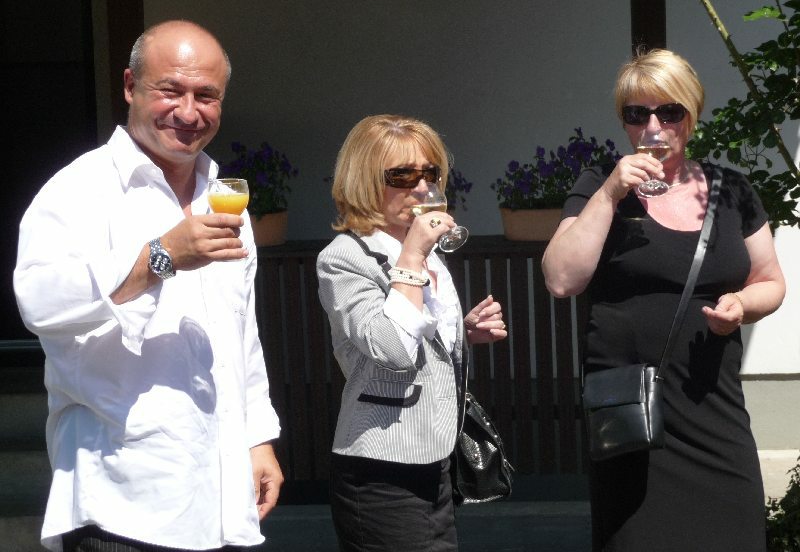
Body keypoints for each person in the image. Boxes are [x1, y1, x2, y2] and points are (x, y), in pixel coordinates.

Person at [14, 20, 283, 552]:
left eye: (206, 95)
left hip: (220, 496)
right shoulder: (80, 189)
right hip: (122, 498)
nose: (188, 112)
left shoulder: (223, 198)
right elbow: (39, 304)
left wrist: (259, 439)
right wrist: (158, 258)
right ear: (130, 86)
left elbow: (240, 336)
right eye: (170, 90)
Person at [542, 48, 785, 551]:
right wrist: (609, 193)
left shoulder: (730, 191)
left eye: (668, 111)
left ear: (691, 116)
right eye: (637, 114)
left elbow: (770, 281)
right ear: (625, 122)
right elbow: (562, 279)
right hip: (633, 415)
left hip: (711, 406)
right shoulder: (597, 185)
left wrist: (741, 306)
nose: (653, 126)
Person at [316, 114, 507, 552]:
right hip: (381, 468)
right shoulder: (346, 257)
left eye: (430, 173)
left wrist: (461, 331)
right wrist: (414, 254)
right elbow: (393, 348)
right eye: (402, 175)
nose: (422, 188)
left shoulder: (424, 256)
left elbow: (419, 334)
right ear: (365, 181)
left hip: (435, 458)